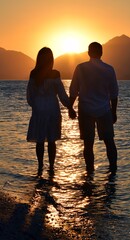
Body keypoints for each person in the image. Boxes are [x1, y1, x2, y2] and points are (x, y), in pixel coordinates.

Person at [69, 42, 119, 174]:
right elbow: (114, 93)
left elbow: (73, 90)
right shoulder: (109, 69)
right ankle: (113, 171)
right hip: (104, 109)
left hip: (85, 109)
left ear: (88, 53)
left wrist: (70, 108)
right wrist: (114, 112)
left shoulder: (80, 68)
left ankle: (89, 172)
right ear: (101, 53)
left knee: (88, 144)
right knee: (109, 142)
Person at [27, 47, 74, 177]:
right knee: (52, 140)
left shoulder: (33, 74)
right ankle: (52, 168)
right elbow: (62, 95)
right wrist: (70, 107)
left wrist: (35, 105)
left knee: (40, 140)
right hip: (52, 109)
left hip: (38, 110)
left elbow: (29, 96)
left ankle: (40, 166)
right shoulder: (55, 74)